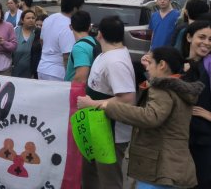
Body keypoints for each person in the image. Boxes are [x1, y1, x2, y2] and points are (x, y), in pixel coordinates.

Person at [78, 46, 202, 189]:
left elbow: (150, 116)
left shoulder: (162, 89)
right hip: (173, 166)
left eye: (150, 63)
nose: (147, 68)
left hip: (160, 168)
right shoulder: (179, 88)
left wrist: (105, 106)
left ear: (162, 65)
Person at [81, 15, 136, 189]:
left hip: (111, 132)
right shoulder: (108, 54)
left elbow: (127, 99)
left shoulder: (115, 61)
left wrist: (91, 104)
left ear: (100, 34)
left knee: (108, 180)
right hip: (96, 126)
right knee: (91, 174)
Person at [180, 20, 211, 188]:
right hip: (182, 139)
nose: (206, 43)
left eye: (210, 39)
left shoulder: (209, 66)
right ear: (189, 37)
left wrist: (208, 115)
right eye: (202, 37)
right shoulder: (179, 64)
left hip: (205, 140)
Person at [38, 0, 84, 81]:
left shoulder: (49, 18)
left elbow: (41, 40)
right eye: (81, 8)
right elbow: (67, 55)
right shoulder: (69, 25)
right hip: (58, 73)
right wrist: (69, 77)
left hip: (42, 68)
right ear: (75, 9)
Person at [65, 10, 100, 84]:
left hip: (79, 93)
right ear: (90, 27)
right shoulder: (94, 41)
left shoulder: (79, 47)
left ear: (71, 27)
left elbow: (81, 79)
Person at [11, 10, 36, 78]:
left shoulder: (37, 33)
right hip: (14, 70)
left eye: (33, 18)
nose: (31, 20)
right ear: (22, 20)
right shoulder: (14, 31)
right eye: (28, 18)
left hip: (31, 72)